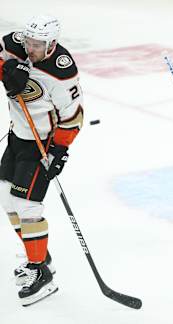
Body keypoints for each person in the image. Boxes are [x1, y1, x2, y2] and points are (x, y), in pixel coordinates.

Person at [0, 15, 83, 305]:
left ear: (52, 44)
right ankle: (39, 254)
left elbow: (73, 118)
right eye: (29, 42)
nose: (31, 49)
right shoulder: (14, 45)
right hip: (18, 136)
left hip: (42, 144)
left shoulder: (62, 73)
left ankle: (40, 272)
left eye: (39, 45)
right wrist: (5, 68)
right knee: (6, 200)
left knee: (27, 206)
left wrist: (59, 151)